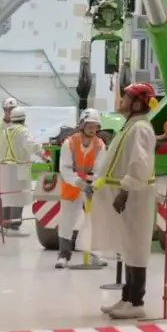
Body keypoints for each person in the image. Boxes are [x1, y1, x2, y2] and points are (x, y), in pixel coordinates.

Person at [92, 82, 158, 319]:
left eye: (126, 98)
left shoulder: (140, 128)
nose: (121, 102)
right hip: (129, 195)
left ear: (138, 103)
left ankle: (137, 300)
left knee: (137, 247)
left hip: (136, 196)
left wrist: (125, 190)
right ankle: (127, 297)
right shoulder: (131, 125)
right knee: (128, 246)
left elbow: (139, 163)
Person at [53, 109, 105, 268]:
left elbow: (101, 169)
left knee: (94, 220)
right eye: (89, 125)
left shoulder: (100, 145)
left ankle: (95, 253)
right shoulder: (70, 143)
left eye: (95, 126)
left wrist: (93, 184)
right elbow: (65, 169)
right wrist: (79, 182)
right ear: (82, 125)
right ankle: (64, 255)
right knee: (67, 221)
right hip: (72, 186)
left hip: (91, 188)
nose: (92, 129)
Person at [0, 102, 39, 230]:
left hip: (17, 165)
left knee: (17, 194)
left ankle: (15, 223)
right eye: (8, 110)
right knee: (0, 194)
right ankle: (2, 223)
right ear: (3, 110)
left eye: (12, 109)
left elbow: (30, 144)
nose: (10, 112)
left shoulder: (22, 127)